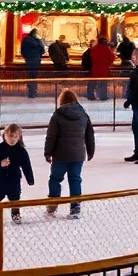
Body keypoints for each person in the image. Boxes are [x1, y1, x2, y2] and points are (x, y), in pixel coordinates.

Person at [44, 89, 96, 218]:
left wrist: (48, 153)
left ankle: (52, 205)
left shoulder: (57, 116)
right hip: (77, 155)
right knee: (75, 180)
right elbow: (90, 135)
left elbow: (51, 136)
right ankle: (75, 207)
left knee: (55, 179)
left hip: (60, 155)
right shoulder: (83, 115)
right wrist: (90, 151)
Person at [0, 123, 34, 226]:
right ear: (4, 136)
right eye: (9, 137)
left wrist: (30, 179)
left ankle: (15, 213)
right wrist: (0, 163)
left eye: (15, 137)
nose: (12, 140)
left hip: (14, 179)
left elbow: (26, 165)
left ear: (19, 137)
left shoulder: (21, 151)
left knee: (15, 198)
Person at [20, 29, 45, 99]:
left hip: (29, 60)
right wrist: (38, 55)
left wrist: (26, 57)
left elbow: (22, 50)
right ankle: (33, 91)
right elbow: (43, 50)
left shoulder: (25, 40)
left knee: (30, 75)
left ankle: (30, 91)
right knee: (34, 75)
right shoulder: (38, 40)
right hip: (36, 60)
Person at [89, 36, 114, 101]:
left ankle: (91, 96)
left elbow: (91, 57)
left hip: (95, 69)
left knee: (92, 84)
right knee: (103, 83)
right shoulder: (107, 49)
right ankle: (103, 96)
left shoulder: (94, 48)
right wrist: (107, 64)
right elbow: (112, 58)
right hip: (104, 69)